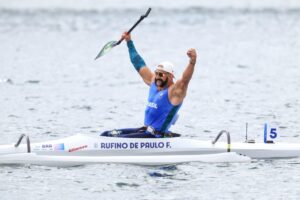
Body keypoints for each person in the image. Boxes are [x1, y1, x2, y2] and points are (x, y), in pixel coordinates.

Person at [101, 32, 197, 138]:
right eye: (156, 73)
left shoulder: (174, 92)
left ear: (170, 77)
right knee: (106, 134)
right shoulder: (153, 83)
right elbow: (138, 63)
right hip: (145, 131)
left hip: (156, 137)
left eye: (161, 74)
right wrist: (129, 42)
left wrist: (192, 62)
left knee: (117, 139)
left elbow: (184, 80)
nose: (157, 77)